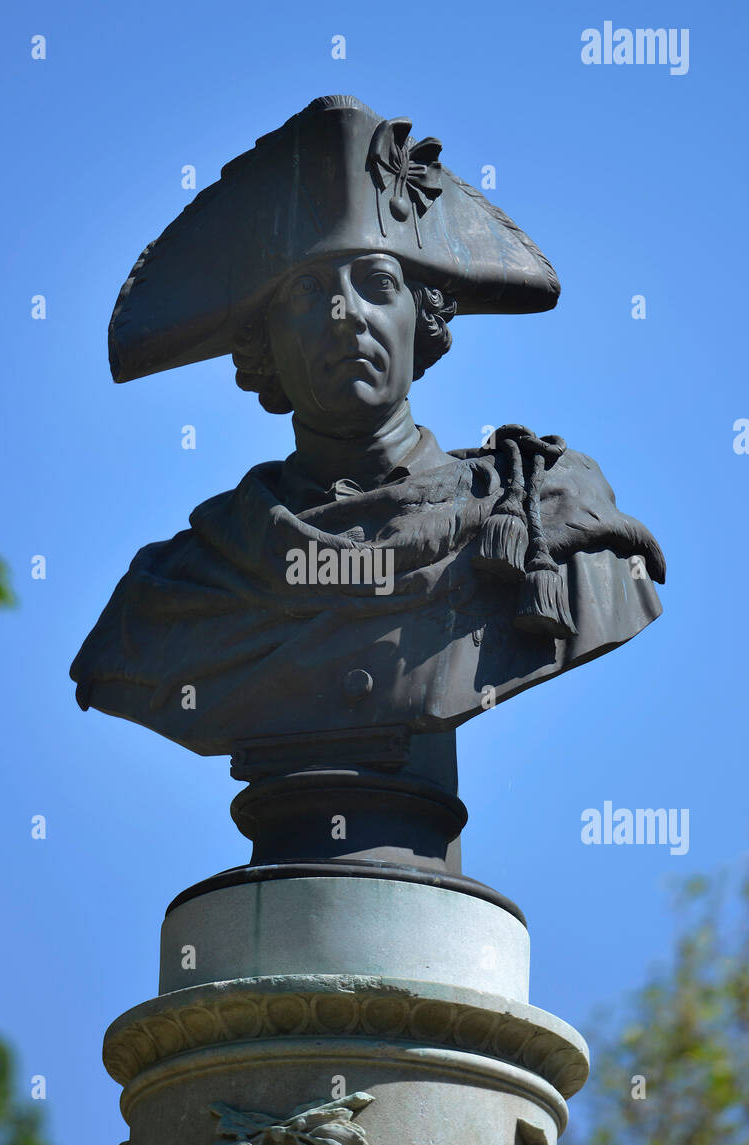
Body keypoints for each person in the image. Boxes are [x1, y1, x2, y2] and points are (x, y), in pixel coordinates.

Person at [71, 96, 664, 760]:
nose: (343, 314)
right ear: (260, 343)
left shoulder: (544, 521)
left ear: (425, 318)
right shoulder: (176, 592)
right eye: (304, 291)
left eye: (377, 283)